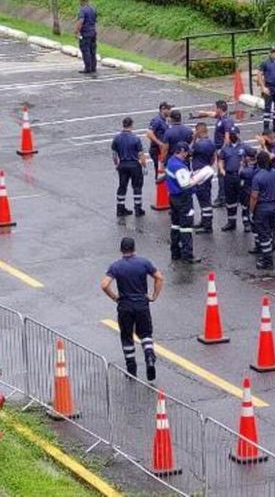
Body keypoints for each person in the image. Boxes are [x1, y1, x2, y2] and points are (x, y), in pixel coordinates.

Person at [101, 237, 164, 381]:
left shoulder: (116, 266)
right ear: (134, 248)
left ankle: (131, 370)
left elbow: (104, 285)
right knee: (146, 334)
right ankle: (149, 356)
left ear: (121, 250)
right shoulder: (144, 263)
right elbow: (159, 278)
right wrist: (153, 296)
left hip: (125, 307)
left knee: (127, 337)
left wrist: (115, 297)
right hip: (142, 305)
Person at [165, 142, 202, 263]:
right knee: (186, 227)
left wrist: (190, 174)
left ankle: (175, 252)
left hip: (173, 197)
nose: (187, 155)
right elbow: (185, 185)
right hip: (183, 199)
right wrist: (196, 180)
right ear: (181, 151)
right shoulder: (179, 167)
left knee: (175, 225)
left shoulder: (171, 161)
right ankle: (187, 255)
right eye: (186, 152)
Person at [249, 152, 275, 270]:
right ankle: (267, 255)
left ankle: (267, 261)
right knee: (270, 231)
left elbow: (254, 196)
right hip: (273, 206)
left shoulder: (257, 177)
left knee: (263, 235)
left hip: (262, 208)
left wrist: (251, 211)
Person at [111, 117, 146, 217]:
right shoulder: (135, 138)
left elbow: (114, 154)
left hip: (123, 165)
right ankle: (138, 209)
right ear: (131, 125)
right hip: (134, 165)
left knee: (122, 187)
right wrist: (144, 166)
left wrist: (117, 165)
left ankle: (120, 209)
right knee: (137, 187)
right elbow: (141, 155)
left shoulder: (117, 138)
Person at [219, 126, 249, 231]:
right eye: (231, 134)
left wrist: (246, 167)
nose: (232, 136)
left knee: (245, 200)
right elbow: (220, 160)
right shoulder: (225, 148)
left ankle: (246, 222)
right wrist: (222, 170)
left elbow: (253, 157)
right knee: (230, 200)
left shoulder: (244, 147)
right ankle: (231, 222)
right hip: (229, 176)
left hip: (241, 177)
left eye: (234, 134)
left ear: (238, 134)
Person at [257, 129, 275, 236]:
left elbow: (268, 157)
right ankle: (267, 225)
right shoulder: (268, 145)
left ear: (268, 137)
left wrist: (263, 145)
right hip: (266, 175)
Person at [191, 122, 217, 233]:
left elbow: (188, 152)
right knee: (205, 197)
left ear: (198, 131)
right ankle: (204, 220)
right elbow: (213, 158)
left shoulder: (198, 145)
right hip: (207, 171)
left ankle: (207, 225)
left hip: (199, 173)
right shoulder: (211, 143)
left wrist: (193, 139)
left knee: (203, 200)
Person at [146, 102, 171, 176]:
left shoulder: (164, 120)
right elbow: (149, 133)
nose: (170, 111)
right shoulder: (157, 120)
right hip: (157, 150)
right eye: (169, 109)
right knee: (160, 172)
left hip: (162, 150)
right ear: (163, 109)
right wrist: (160, 143)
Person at [74, 0, 98, 74]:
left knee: (85, 50)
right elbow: (95, 21)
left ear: (82, 1)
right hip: (93, 32)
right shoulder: (93, 9)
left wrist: (77, 31)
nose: (79, 4)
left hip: (85, 33)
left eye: (80, 2)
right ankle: (93, 67)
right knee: (92, 50)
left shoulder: (82, 10)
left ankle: (88, 68)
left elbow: (81, 21)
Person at [239, 148, 259, 234]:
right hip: (257, 192)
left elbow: (240, 173)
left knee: (245, 208)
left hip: (246, 192)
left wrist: (242, 164)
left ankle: (246, 223)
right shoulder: (259, 168)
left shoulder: (245, 171)